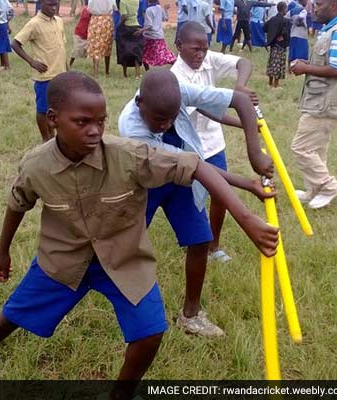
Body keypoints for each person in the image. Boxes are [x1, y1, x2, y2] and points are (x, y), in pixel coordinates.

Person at [0, 72, 279, 399]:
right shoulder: (36, 165)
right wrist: (2, 252)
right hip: (62, 261)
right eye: (82, 122)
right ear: (53, 120)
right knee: (11, 316)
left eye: (100, 121)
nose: (94, 130)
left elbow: (197, 166)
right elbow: (18, 204)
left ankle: (120, 394)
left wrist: (245, 217)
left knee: (150, 331)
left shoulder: (128, 156)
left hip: (124, 261)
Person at [118, 69, 275, 337]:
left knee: (200, 240)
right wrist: (246, 190)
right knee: (124, 246)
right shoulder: (132, 130)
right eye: (159, 119)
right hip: (145, 181)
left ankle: (190, 316)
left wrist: (254, 151)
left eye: (172, 117)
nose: (166, 125)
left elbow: (241, 101)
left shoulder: (177, 89)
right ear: (140, 104)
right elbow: (197, 167)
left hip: (183, 181)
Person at [171, 22, 260, 262]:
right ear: (179, 46)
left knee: (220, 195)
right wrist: (244, 122)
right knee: (192, 199)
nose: (200, 54)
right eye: (194, 49)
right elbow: (207, 108)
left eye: (204, 49)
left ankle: (213, 245)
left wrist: (240, 85)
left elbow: (244, 62)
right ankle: (195, 240)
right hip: (189, 145)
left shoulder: (208, 59)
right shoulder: (175, 77)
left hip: (213, 142)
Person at [289, 0, 337, 209]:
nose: (314, 8)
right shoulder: (331, 29)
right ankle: (314, 190)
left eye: (319, 4)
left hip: (326, 103)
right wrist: (306, 65)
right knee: (317, 149)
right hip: (322, 101)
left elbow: (336, 68)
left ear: (334, 5)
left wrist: (305, 68)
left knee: (301, 147)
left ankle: (329, 185)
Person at [12, 0, 67, 142]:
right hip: (45, 76)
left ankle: (52, 137)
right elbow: (15, 44)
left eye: (56, 4)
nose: (54, 7)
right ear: (41, 4)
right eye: (50, 4)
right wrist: (32, 62)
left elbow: (62, 48)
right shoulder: (34, 23)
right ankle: (45, 139)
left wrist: (66, 69)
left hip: (60, 74)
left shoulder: (59, 21)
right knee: (43, 110)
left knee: (57, 108)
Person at [142, 0, 176, 67]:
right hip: (159, 36)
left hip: (150, 37)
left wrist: (141, 30)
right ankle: (174, 62)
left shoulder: (148, 10)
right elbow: (165, 18)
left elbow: (149, 25)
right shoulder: (159, 7)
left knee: (145, 55)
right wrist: (166, 9)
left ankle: (149, 71)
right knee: (162, 55)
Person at [265, 1, 291, 88]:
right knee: (278, 64)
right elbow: (285, 32)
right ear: (284, 10)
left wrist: (272, 34)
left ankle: (270, 82)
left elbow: (264, 28)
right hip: (281, 45)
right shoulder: (285, 21)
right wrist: (281, 35)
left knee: (272, 62)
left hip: (273, 44)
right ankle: (276, 84)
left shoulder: (272, 19)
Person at [87, 0, 116, 76]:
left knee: (95, 45)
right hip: (107, 20)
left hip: (95, 20)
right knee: (107, 45)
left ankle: (95, 71)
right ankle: (107, 70)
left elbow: (89, 9)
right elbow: (115, 7)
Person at [116, 0, 144, 78]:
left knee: (124, 50)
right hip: (136, 26)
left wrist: (119, 25)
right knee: (136, 51)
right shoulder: (136, 1)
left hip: (126, 28)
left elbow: (124, 16)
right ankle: (137, 74)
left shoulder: (123, 1)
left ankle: (125, 74)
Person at [69, 0, 91, 68]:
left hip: (87, 33)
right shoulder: (86, 10)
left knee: (85, 49)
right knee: (76, 50)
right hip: (80, 32)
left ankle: (70, 64)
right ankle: (70, 64)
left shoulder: (86, 9)